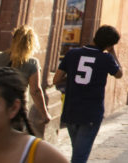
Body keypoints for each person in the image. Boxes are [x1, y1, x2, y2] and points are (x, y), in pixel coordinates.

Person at [52, 25, 123, 163]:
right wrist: (112, 53)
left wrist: (73, 76)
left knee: (77, 152)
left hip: (71, 111)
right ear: (109, 45)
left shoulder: (72, 54)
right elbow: (119, 74)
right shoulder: (106, 59)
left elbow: (56, 79)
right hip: (91, 113)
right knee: (80, 156)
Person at [0, 25, 52, 136]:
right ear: (32, 44)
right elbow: (35, 91)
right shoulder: (32, 63)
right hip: (16, 111)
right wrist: (44, 114)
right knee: (11, 144)